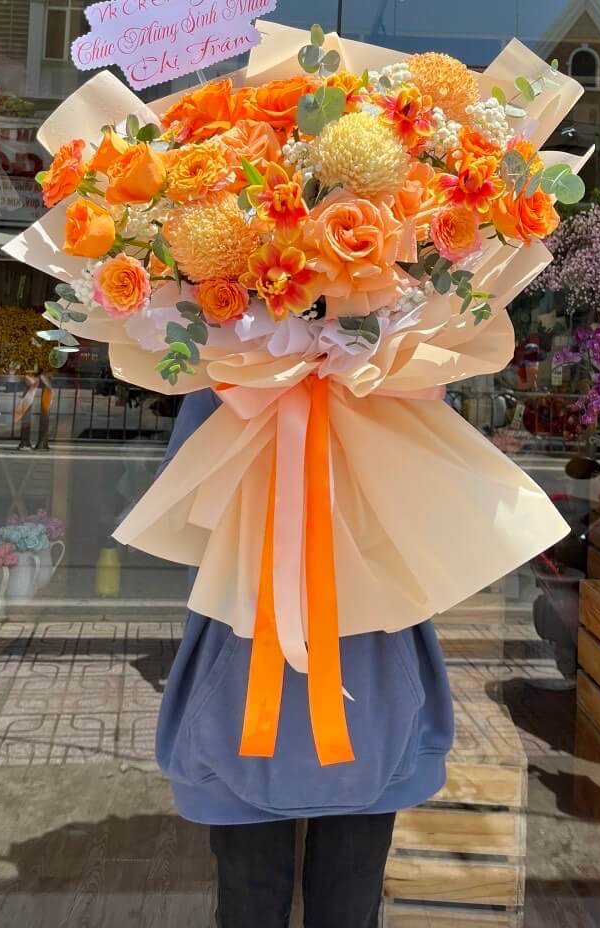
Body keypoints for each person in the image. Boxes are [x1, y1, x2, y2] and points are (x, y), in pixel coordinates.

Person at [155, 389, 455, 928]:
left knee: (343, 895)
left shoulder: (404, 374)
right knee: (258, 897)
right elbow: (185, 508)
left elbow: (438, 501)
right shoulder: (227, 372)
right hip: (251, 672)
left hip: (365, 674)